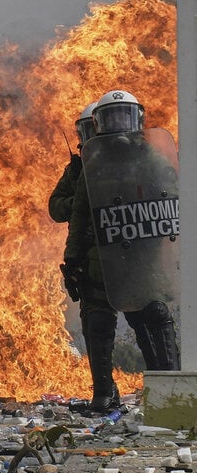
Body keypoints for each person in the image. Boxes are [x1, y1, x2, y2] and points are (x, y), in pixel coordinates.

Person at [63, 90, 181, 412]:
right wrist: (72, 259)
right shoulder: (92, 166)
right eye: (110, 118)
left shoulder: (153, 157)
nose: (117, 126)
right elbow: (79, 216)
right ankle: (104, 394)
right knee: (98, 322)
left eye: (122, 116)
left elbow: (173, 197)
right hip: (100, 261)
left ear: (137, 119)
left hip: (143, 257)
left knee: (154, 317)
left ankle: (171, 392)